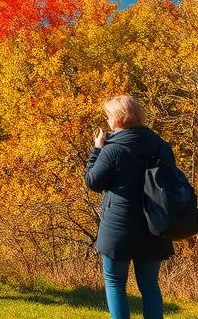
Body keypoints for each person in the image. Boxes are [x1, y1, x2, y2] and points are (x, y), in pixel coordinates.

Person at [85, 95, 175, 319]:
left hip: (119, 227)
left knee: (115, 283)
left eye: (108, 116)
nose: (107, 120)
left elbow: (93, 182)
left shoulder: (112, 150)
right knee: (150, 286)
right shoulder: (161, 146)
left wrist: (96, 150)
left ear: (118, 118)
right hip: (155, 224)